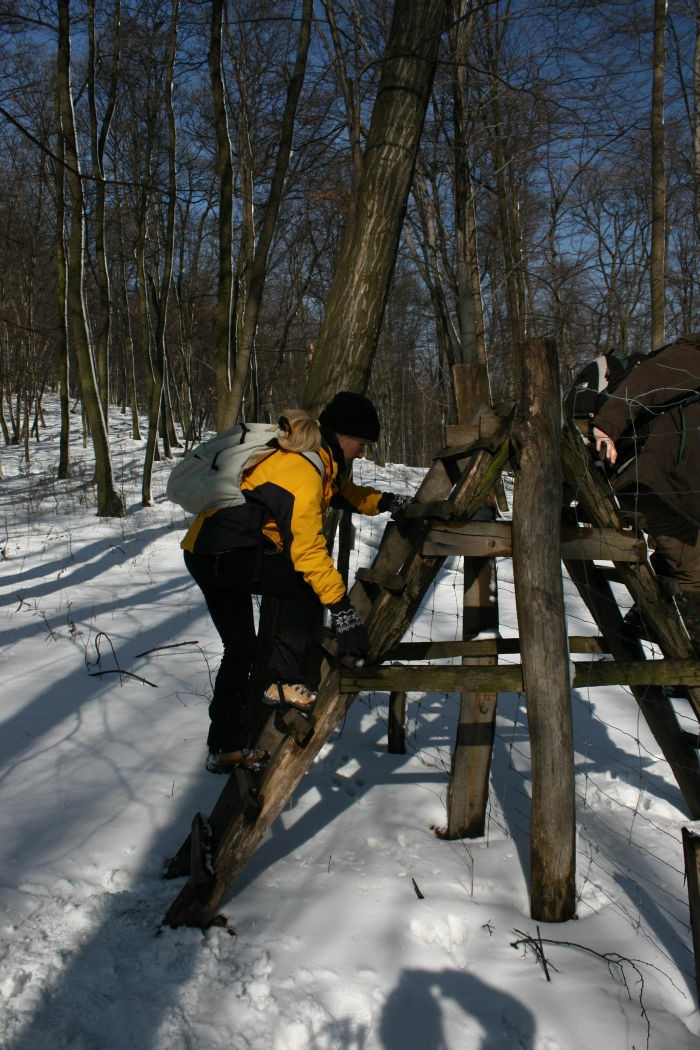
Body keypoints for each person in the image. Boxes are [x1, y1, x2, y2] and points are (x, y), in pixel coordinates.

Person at [181, 391, 412, 774]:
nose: (362, 452)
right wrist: (342, 611)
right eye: (362, 444)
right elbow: (307, 551)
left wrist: (385, 501)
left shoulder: (312, 458)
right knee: (303, 583)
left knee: (240, 650)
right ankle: (284, 681)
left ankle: (225, 748)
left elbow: (341, 494)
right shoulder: (303, 470)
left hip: (207, 552)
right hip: (225, 555)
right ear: (344, 436)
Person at [574, 335, 700, 647]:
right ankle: (689, 666)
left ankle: (646, 621)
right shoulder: (693, 356)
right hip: (651, 479)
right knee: (694, 569)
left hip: (673, 488)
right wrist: (607, 426)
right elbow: (648, 380)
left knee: (682, 561)